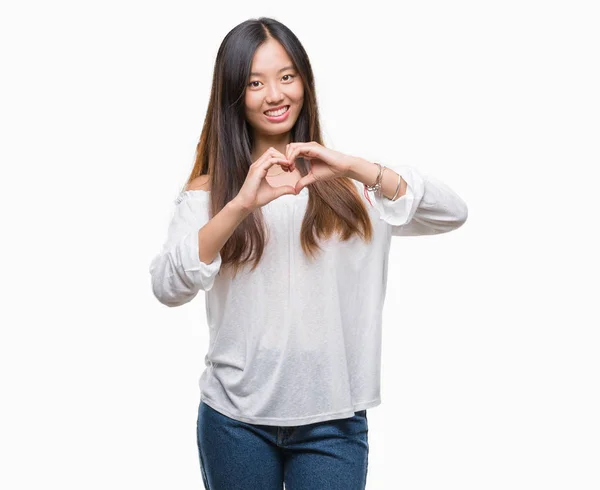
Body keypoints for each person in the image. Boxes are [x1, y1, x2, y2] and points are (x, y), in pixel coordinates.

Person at [149, 16, 468, 490]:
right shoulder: (208, 193)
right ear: (234, 94)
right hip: (235, 421)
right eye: (255, 82)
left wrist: (357, 167)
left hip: (333, 423)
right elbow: (167, 286)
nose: (274, 95)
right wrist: (239, 204)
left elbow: (451, 213)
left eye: (286, 76)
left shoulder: (351, 188)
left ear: (305, 80)